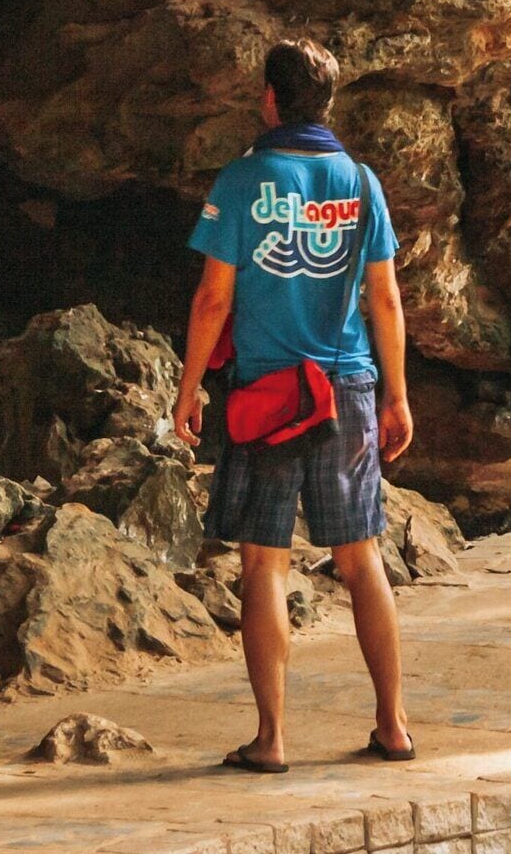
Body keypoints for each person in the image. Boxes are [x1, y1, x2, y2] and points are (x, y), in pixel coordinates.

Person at [178, 39, 412, 774]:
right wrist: (397, 396)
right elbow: (384, 298)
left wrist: (187, 390)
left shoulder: (246, 178)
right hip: (347, 387)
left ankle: (272, 738)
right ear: (328, 103)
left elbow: (215, 295)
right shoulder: (360, 181)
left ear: (270, 99)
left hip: (269, 394)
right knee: (361, 555)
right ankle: (393, 725)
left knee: (263, 565)